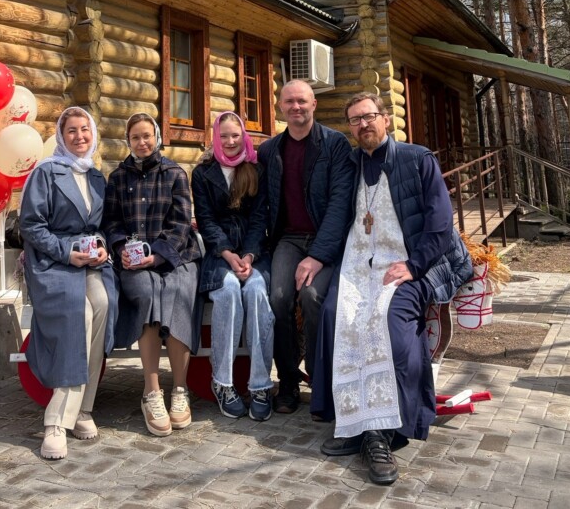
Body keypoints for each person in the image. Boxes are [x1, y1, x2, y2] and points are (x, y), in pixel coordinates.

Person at [312, 92, 472, 486]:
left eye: (368, 116)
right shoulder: (350, 165)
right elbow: (335, 212)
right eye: (355, 120)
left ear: (385, 118)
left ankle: (386, 430)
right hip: (358, 264)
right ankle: (351, 421)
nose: (362, 124)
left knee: (390, 325)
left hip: (409, 264)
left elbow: (440, 223)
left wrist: (414, 267)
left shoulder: (418, 159)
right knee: (336, 316)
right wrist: (316, 256)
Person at [19, 106, 116, 460]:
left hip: (89, 260)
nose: (79, 136)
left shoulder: (96, 176)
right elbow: (31, 225)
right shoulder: (46, 173)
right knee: (79, 312)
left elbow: (100, 227)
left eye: (84, 129)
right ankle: (57, 421)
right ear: (61, 135)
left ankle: (83, 409)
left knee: (103, 304)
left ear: (93, 134)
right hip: (53, 261)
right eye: (71, 130)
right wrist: (66, 252)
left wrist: (102, 247)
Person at [102, 112, 201, 437]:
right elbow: (111, 222)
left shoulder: (174, 173)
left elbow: (181, 223)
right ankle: (152, 391)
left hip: (175, 257)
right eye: (135, 137)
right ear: (128, 141)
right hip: (133, 261)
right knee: (147, 293)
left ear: (156, 137)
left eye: (147, 136)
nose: (142, 142)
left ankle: (180, 389)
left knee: (176, 294)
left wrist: (157, 255)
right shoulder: (118, 178)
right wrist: (122, 249)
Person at [258, 79, 354, 414]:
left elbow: (340, 204)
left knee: (313, 298)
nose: (296, 107)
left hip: (325, 240)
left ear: (314, 104)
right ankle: (287, 381)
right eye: (289, 102)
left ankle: (320, 380)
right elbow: (254, 191)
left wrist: (317, 256)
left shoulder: (335, 144)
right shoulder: (270, 150)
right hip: (288, 239)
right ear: (280, 107)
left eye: (302, 101)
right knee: (278, 298)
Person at [191, 111, 274, 421]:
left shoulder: (255, 170)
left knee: (256, 292)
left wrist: (249, 255)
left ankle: (260, 384)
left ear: (244, 136)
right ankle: (223, 382)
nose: (229, 141)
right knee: (227, 292)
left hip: (254, 252)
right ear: (215, 137)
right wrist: (227, 253)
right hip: (219, 253)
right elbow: (206, 220)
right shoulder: (203, 173)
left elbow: (260, 218)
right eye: (223, 135)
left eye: (235, 135)